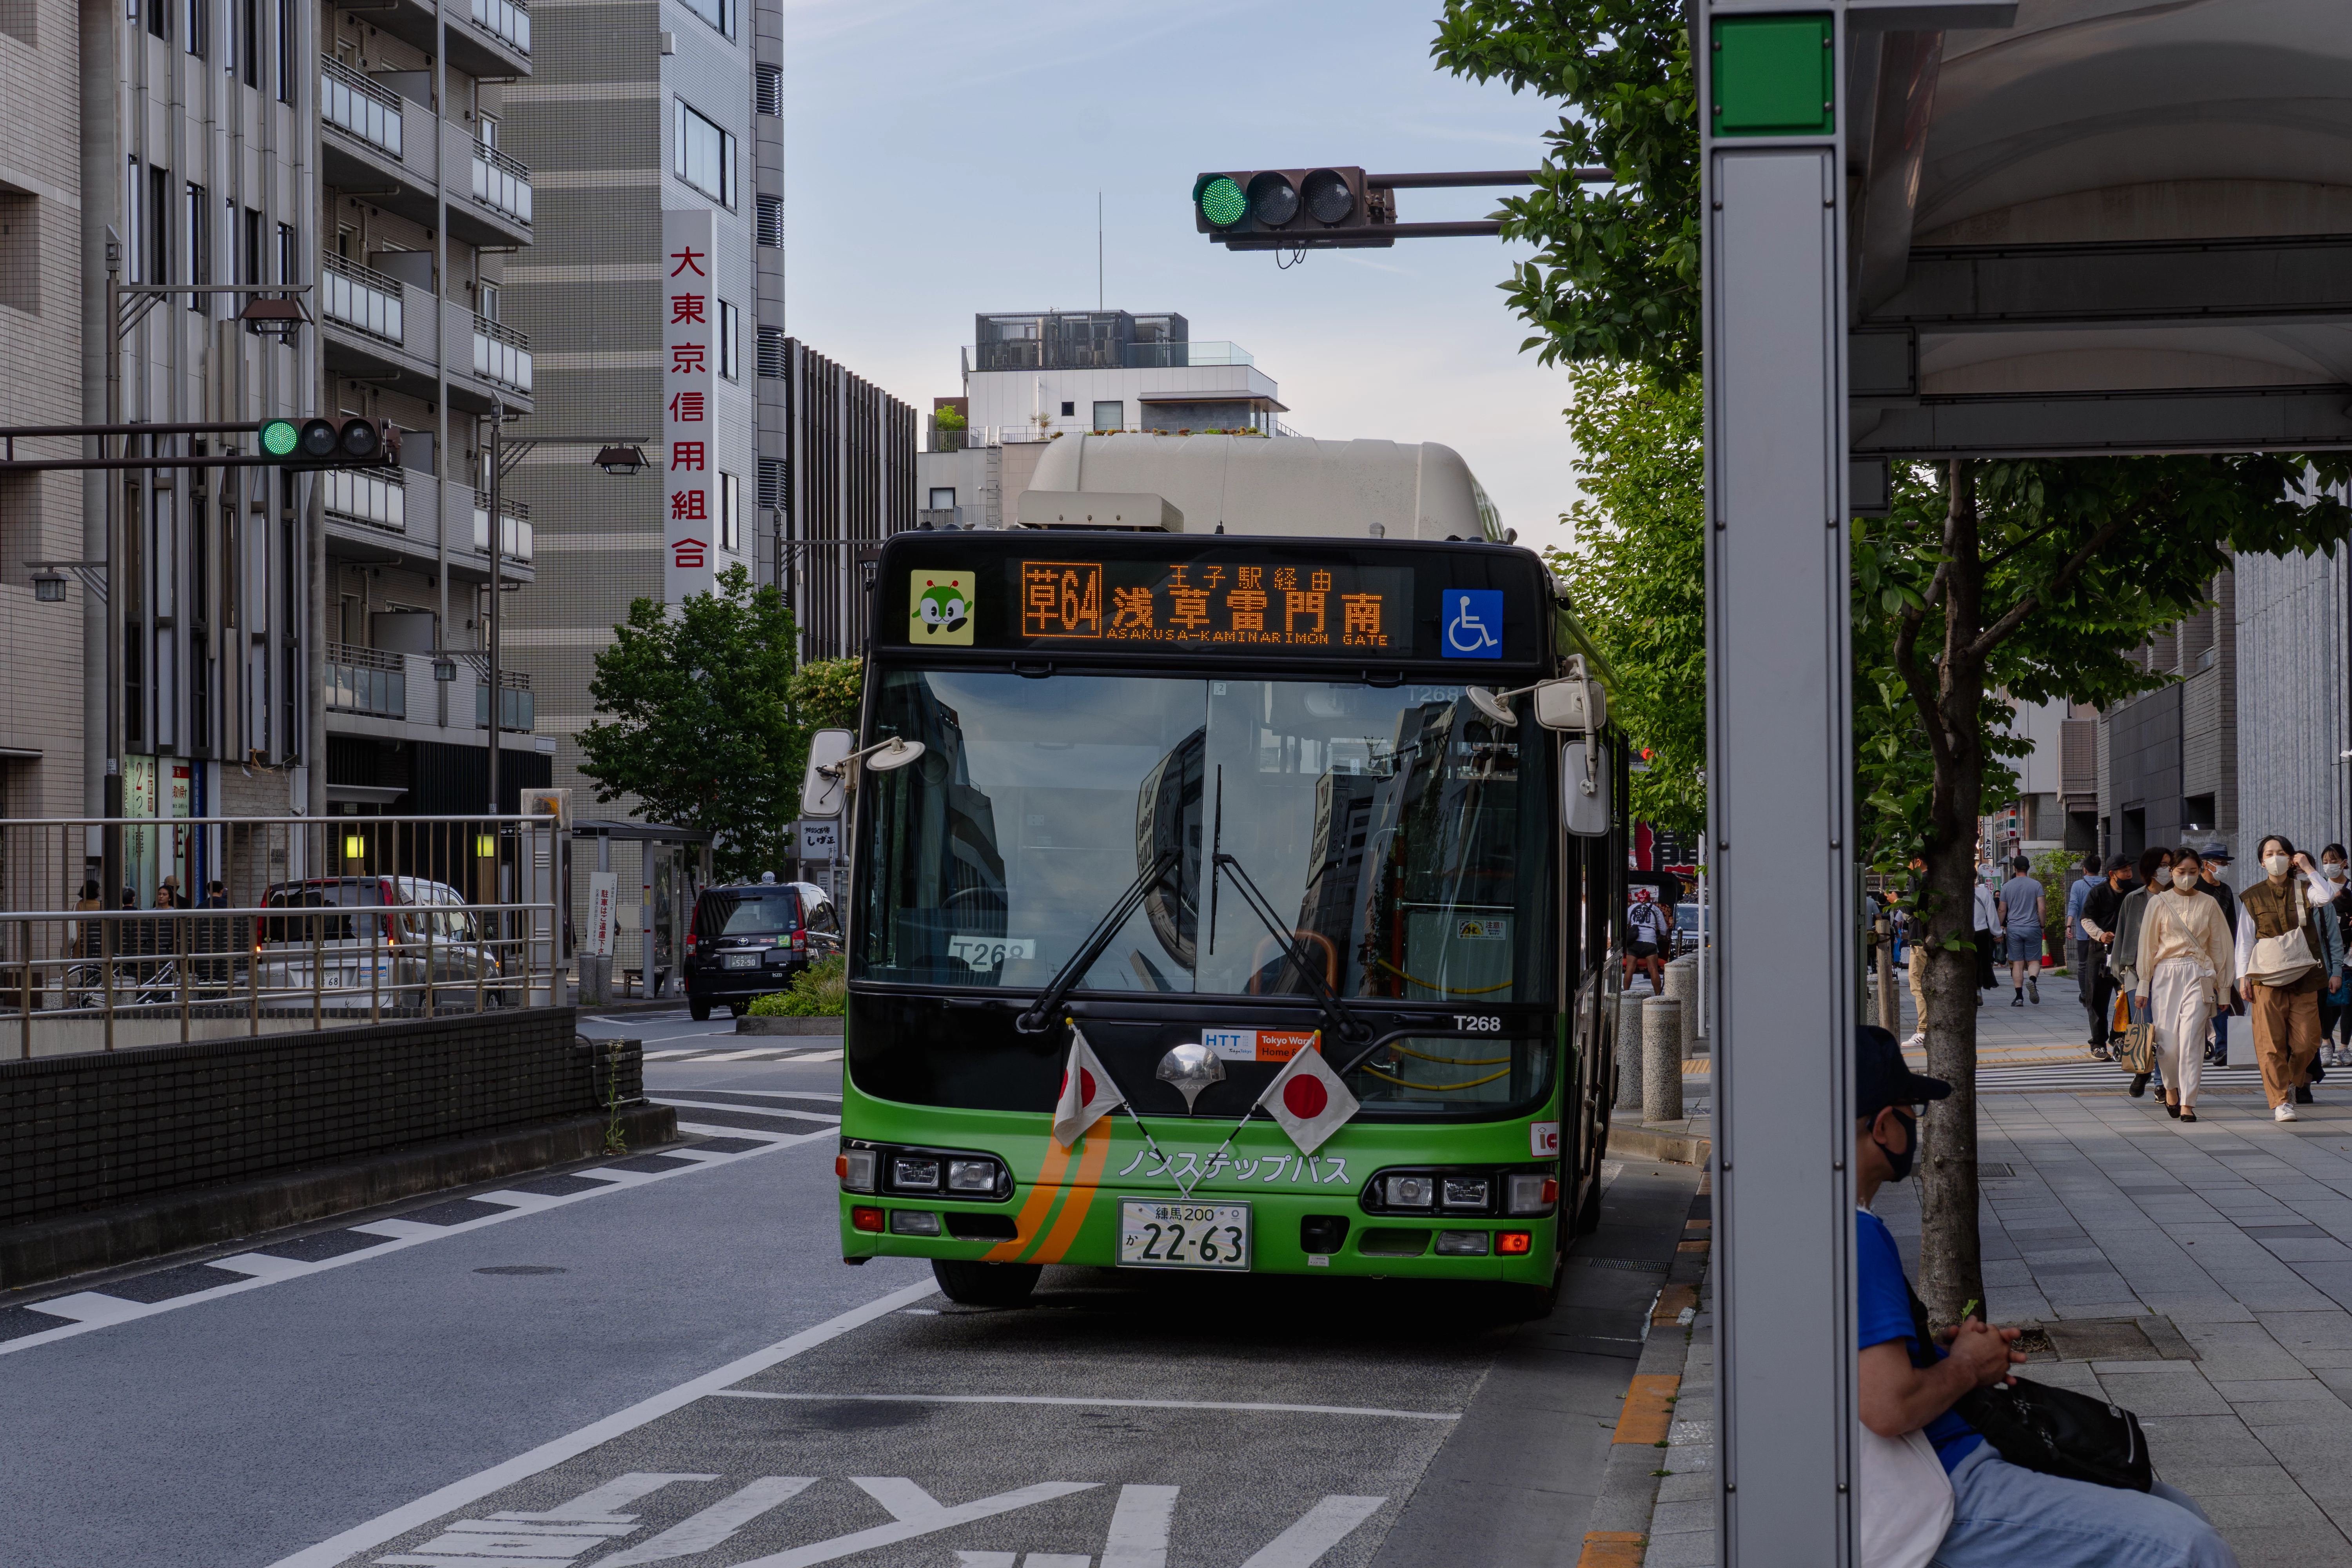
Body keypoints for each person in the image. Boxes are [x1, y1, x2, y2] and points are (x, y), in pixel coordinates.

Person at [1852, 1025, 2236, 1568]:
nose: (1919, 1126)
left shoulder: (1824, 1227)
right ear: (1885, 1126)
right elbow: (1887, 1406)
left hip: (1943, 1465)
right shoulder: (1856, 1236)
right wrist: (1965, 1366)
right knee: (2186, 1546)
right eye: (1915, 1110)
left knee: (2175, 1508)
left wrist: (1937, 1352)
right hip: (1937, 1484)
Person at [2234, 834, 2336, 1122]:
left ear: (2291, 858)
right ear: (2261, 862)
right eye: (2269, 853)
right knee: (2270, 1042)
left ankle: (2290, 1081)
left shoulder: (2305, 889)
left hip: (2304, 974)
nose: (2274, 858)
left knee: (2308, 1042)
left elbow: (2327, 896)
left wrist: (2308, 868)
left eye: (2281, 852)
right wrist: (2243, 978)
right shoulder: (2252, 896)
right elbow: (2243, 941)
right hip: (2266, 977)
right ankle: (2280, 1101)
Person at [2135, 846, 2234, 1123]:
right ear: (2171, 872)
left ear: (2201, 870)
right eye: (2181, 872)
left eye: (2193, 872)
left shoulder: (2209, 903)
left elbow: (2220, 946)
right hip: (2165, 974)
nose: (2187, 877)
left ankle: (2189, 1103)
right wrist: (2144, 985)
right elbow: (2148, 945)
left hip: (2200, 974)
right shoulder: (2158, 903)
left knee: (2192, 1040)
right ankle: (2170, 1088)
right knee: (2168, 1044)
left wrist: (2224, 987)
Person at [2110, 846, 2173, 1098]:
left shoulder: (2178, 899)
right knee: (2145, 1025)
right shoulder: (2134, 899)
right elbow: (2122, 937)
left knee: (2164, 1028)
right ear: (2150, 869)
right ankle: (2146, 1072)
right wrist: (2121, 976)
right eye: (2163, 865)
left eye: (2170, 865)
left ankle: (2157, 1079)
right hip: (2136, 972)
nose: (2168, 870)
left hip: (2168, 972)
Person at [2077, 856, 2136, 1061]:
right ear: (2112, 874)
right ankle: (2098, 1043)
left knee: (2126, 999)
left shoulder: (2134, 892)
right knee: (2098, 1001)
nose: (2129, 874)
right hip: (2101, 953)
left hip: (2128, 954)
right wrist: (2101, 934)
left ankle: (2118, 1037)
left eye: (2130, 870)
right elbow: (2086, 919)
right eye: (2125, 871)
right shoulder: (2098, 893)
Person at [2194, 845, 2241, 1068]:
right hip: (2196, 954)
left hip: (2220, 953)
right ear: (2207, 864)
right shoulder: (2194, 888)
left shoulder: (2226, 890)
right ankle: (2199, 1045)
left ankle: (2223, 1047)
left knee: (2223, 999)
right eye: (2220, 863)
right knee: (2198, 1001)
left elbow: (2232, 924)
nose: (2223, 867)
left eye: (2225, 864)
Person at [1996, 856, 2045, 1005]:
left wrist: (1998, 929)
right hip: (2032, 927)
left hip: (2014, 929)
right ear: (2028, 868)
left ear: (2015, 869)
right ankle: (2032, 980)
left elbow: (2002, 909)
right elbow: (2042, 908)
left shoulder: (2007, 887)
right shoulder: (2036, 885)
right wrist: (2042, 925)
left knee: (2017, 963)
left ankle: (2019, 997)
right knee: (2034, 960)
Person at [2322, 844, 2352, 1066]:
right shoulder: (2320, 889)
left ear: (2344, 862)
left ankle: (2344, 1047)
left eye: (2333, 860)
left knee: (2348, 1001)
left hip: (2350, 954)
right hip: (2328, 954)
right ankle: (2326, 1042)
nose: (2329, 866)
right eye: (2325, 862)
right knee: (2329, 1001)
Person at [2065, 851, 2102, 995]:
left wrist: (2069, 925)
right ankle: (2099, 992)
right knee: (2103, 964)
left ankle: (2085, 993)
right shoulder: (2106, 883)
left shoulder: (2078, 885)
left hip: (2084, 932)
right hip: (2104, 932)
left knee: (2083, 965)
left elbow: (2073, 905)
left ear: (2085, 869)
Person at [1626, 887, 1669, 991]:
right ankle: (1658, 995)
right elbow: (1664, 929)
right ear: (1649, 899)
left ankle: (1625, 994)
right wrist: (1661, 936)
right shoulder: (1656, 909)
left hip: (1634, 942)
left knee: (1630, 969)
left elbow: (1626, 922)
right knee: (1653, 970)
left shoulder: (1633, 907)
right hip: (1650, 942)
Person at [1971, 872, 1998, 1002]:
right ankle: (1978, 990)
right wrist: (1997, 933)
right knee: (1979, 961)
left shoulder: (1957, 893)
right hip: (1981, 931)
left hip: (1962, 934)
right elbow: (1991, 913)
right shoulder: (1984, 892)